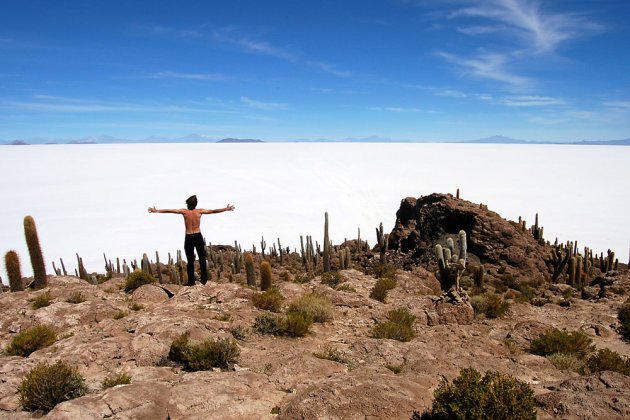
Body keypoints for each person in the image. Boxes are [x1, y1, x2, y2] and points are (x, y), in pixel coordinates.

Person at [148, 195, 235, 285]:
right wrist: (226, 208)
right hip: (198, 236)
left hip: (189, 237)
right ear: (195, 204)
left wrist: (156, 210)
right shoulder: (200, 211)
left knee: (190, 261)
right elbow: (213, 211)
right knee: (202, 259)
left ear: (188, 204)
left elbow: (170, 210)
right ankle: (204, 280)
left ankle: (191, 282)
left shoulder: (184, 211)